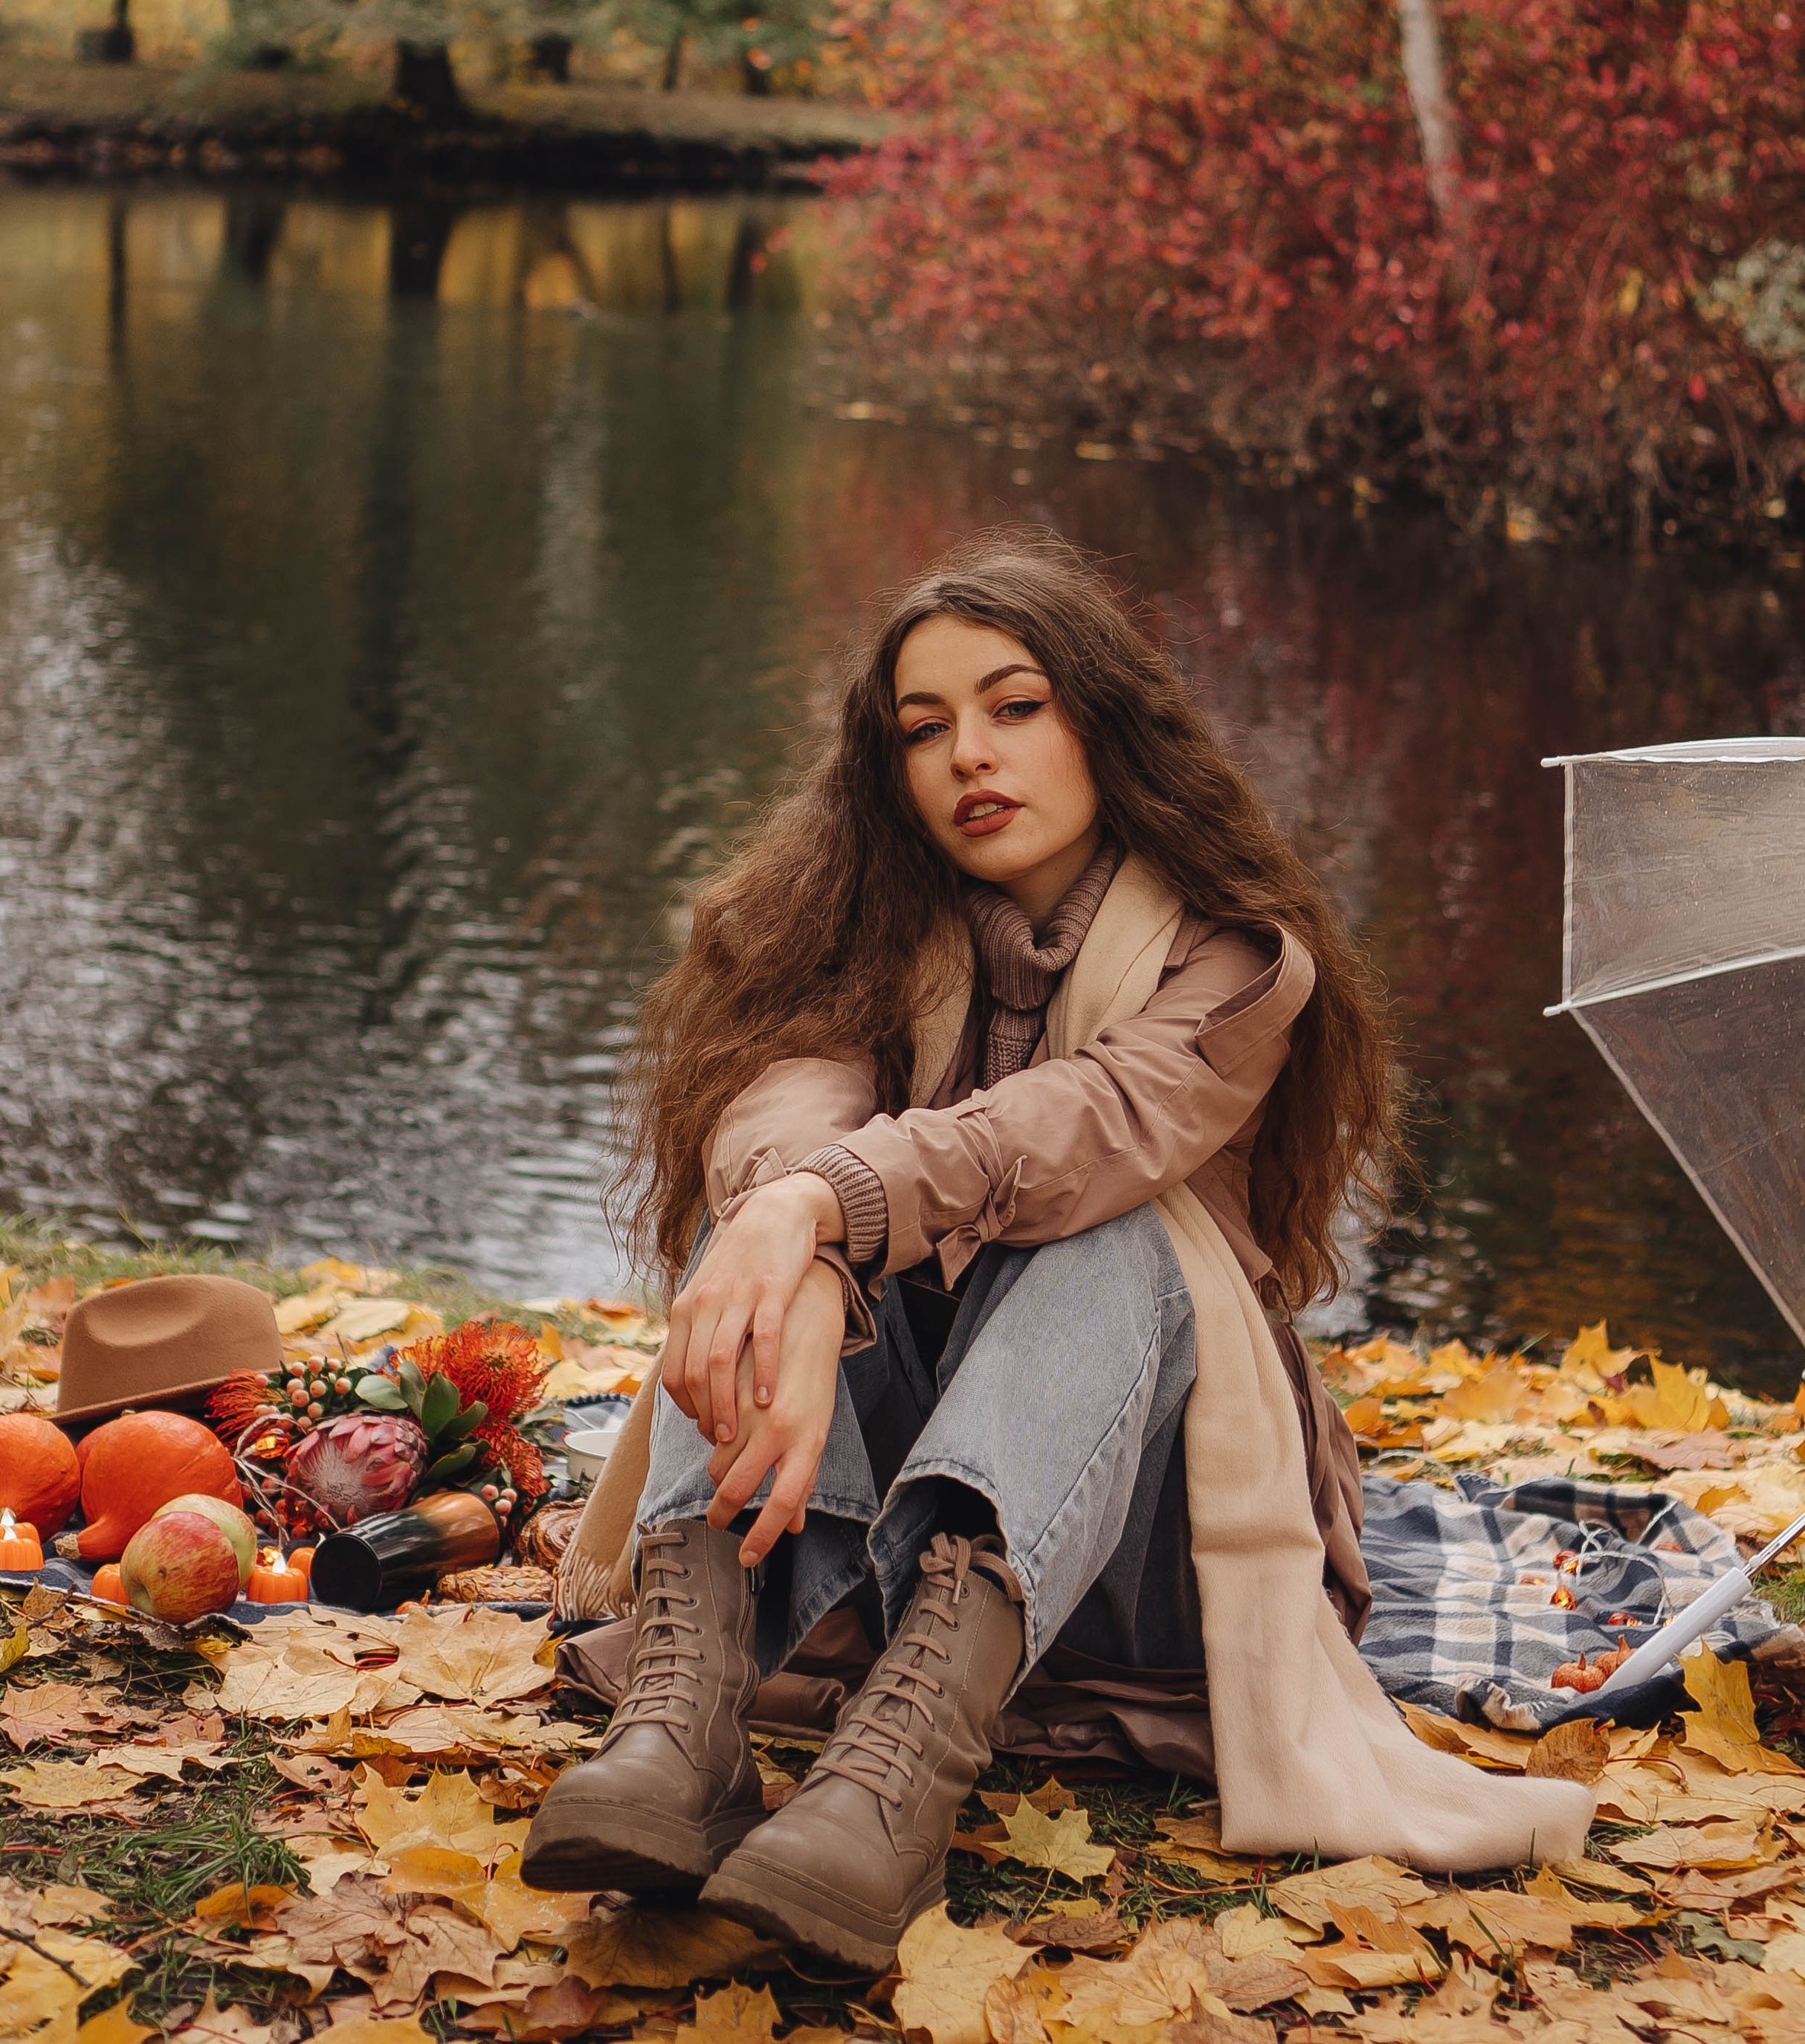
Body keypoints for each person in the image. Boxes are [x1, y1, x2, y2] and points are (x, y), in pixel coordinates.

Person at [522, 532, 1591, 1964]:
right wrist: (803, 1233)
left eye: (1015, 706)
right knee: (765, 1215)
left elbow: (1067, 1133)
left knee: (1117, 1237)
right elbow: (790, 1100)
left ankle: (897, 1782)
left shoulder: (1239, 964)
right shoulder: (869, 919)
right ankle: (684, 1719)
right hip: (874, 1499)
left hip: (1149, 1544)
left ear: (1103, 719)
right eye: (925, 728)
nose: (970, 754)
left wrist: (818, 1209)